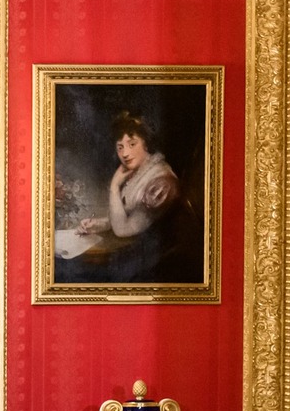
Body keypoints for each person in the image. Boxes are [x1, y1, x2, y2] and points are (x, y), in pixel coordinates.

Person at [71, 112, 197, 284]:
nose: (125, 153)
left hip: (153, 263)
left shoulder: (161, 183)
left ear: (146, 144)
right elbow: (127, 214)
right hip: (134, 252)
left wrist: (115, 187)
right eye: (120, 147)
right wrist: (99, 224)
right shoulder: (139, 171)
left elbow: (123, 230)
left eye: (132, 144)